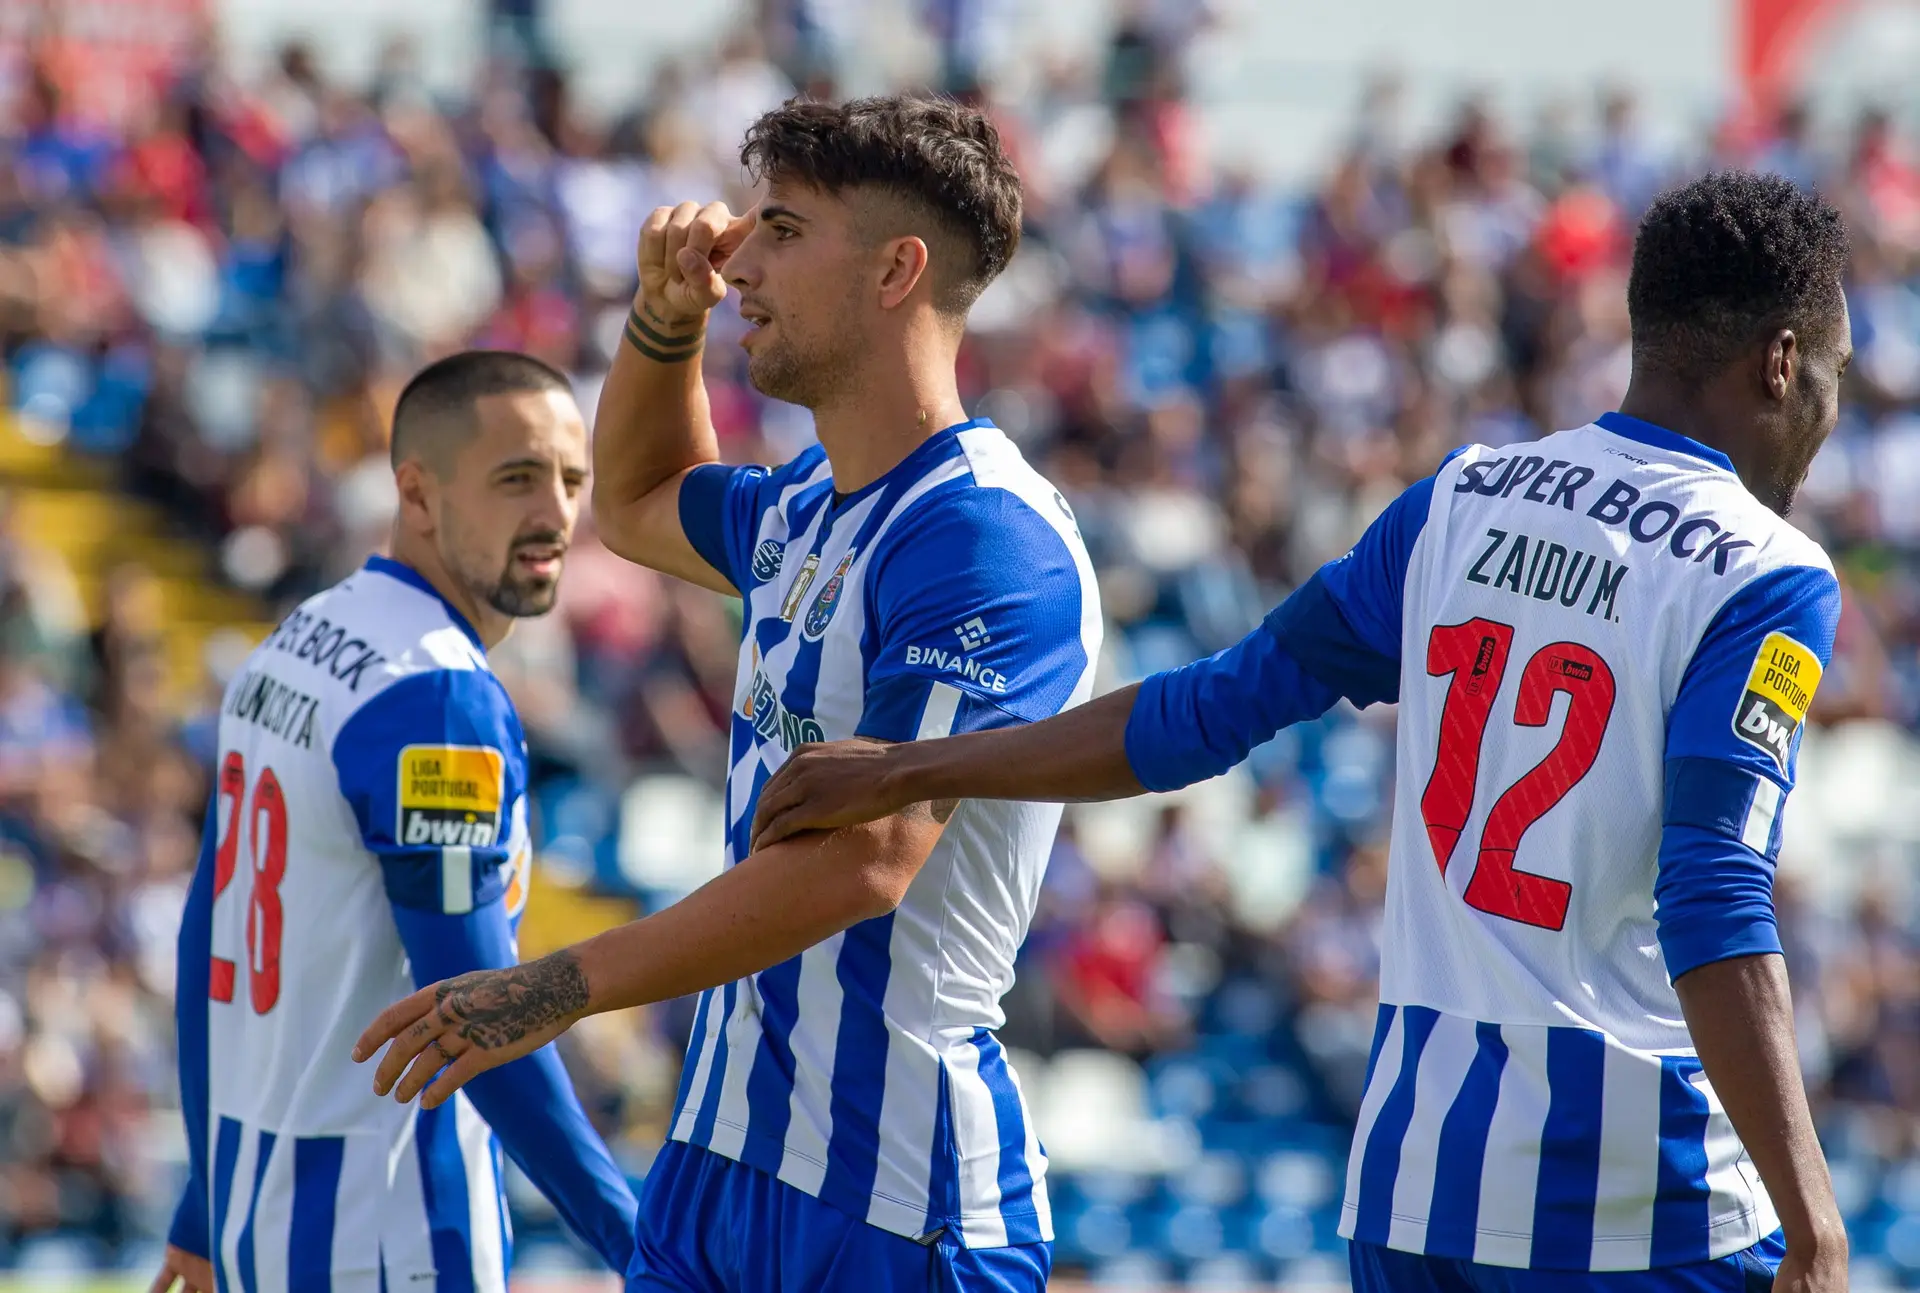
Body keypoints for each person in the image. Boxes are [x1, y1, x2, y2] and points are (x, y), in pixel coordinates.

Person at [748, 170, 1857, 1292]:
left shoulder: (1462, 499)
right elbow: (1713, 890)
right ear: (1777, 360)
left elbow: (1207, 710)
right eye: (1833, 375)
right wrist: (1814, 1226)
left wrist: (914, 767)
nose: (1828, 414)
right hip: (1635, 1203)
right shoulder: (1764, 575)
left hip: (1415, 1197)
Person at [353, 96, 1099, 1292]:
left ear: (898, 271)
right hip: (714, 1167)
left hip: (891, 1200)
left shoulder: (982, 538)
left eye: (786, 232)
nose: (739, 261)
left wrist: (557, 987)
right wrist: (662, 322)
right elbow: (642, 496)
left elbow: (869, 860)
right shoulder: (803, 509)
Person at [154, 352, 637, 1293]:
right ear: (417, 492)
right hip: (388, 1227)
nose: (555, 513)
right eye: (515, 478)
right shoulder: (437, 699)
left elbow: (205, 942)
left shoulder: (297, 639)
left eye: (571, 479)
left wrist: (208, 1200)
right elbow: (473, 1011)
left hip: (264, 1206)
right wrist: (636, 1239)